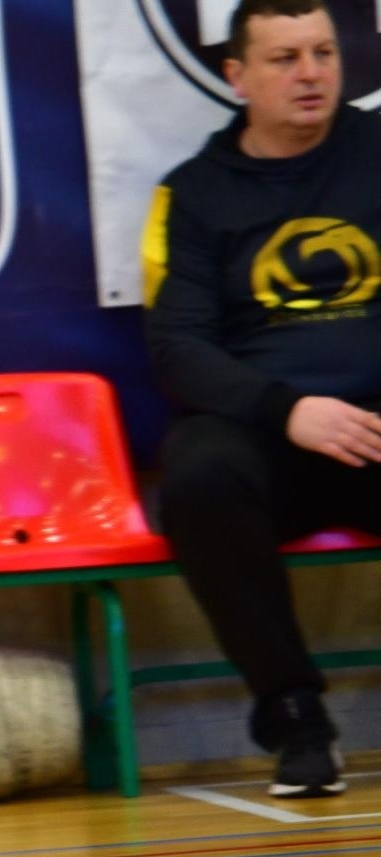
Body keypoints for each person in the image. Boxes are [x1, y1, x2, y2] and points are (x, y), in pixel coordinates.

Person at [143, 0, 381, 797]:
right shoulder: (196, 193)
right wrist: (289, 411)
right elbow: (179, 350)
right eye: (285, 59)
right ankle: (294, 716)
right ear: (237, 75)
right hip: (272, 440)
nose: (311, 73)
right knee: (199, 474)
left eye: (322, 52)